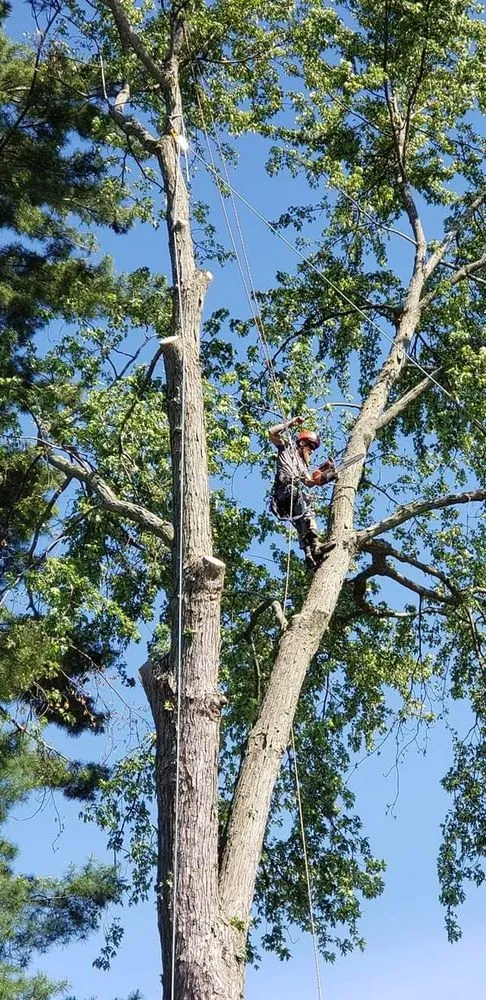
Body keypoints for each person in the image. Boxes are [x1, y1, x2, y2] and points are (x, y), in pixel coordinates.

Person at [268, 415, 337, 570]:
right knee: (306, 504)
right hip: (283, 493)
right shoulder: (286, 448)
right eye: (310, 447)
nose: (311, 451)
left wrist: (325, 474)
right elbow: (272, 432)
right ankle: (316, 543)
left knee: (302, 523)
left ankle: (310, 555)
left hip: (291, 499)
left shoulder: (303, 466)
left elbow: (310, 482)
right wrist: (291, 423)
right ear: (302, 443)